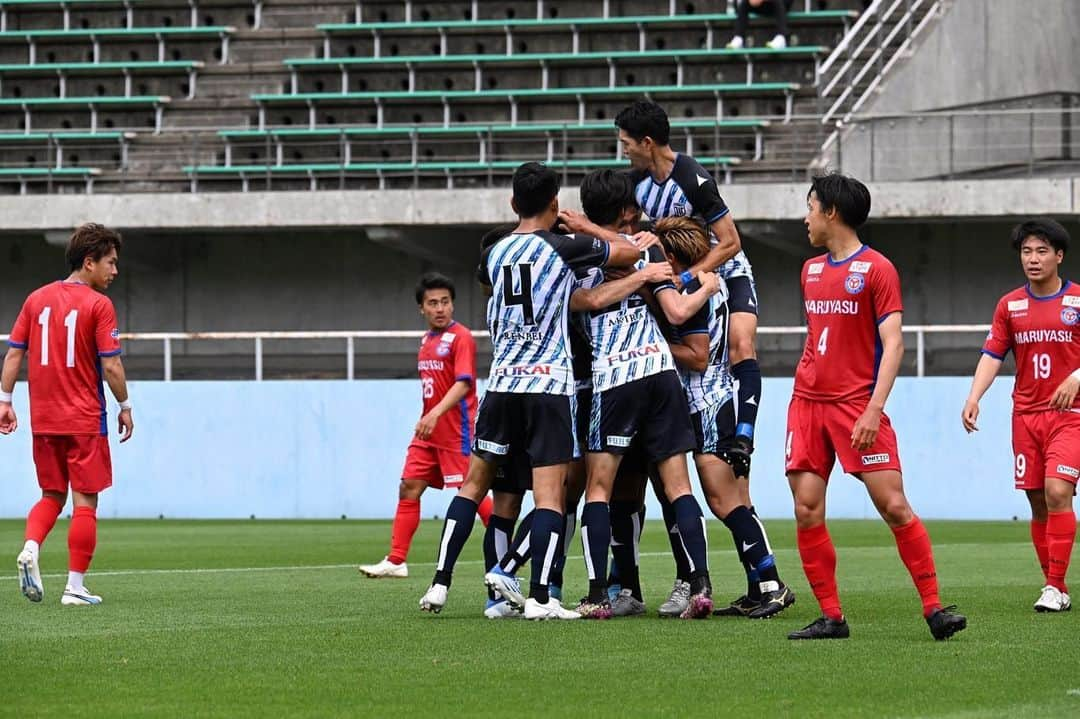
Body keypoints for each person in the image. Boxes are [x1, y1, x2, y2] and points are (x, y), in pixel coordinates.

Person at [417, 161, 641, 620]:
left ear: (513, 203)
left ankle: (440, 583)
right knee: (550, 496)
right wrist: (584, 228)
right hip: (548, 385)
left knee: (472, 487)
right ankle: (542, 597)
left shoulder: (494, 254)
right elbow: (625, 254)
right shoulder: (564, 247)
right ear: (555, 204)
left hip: (502, 383)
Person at [785, 173, 967, 640]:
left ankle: (934, 609)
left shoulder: (878, 269)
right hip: (807, 405)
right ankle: (832, 617)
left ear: (831, 212)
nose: (805, 217)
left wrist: (872, 409)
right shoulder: (809, 271)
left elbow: (894, 344)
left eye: (810, 207)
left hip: (856, 406)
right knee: (807, 510)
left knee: (893, 505)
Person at [559, 169, 721, 620]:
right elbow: (669, 300)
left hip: (615, 378)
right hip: (661, 372)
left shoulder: (574, 257)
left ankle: (596, 594)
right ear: (627, 209)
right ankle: (700, 584)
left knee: (598, 488)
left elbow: (584, 303)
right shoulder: (646, 247)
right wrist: (649, 275)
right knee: (678, 486)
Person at [655, 216, 795, 620]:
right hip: (704, 404)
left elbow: (698, 358)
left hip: (710, 403)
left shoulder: (698, 289)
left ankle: (773, 584)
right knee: (729, 502)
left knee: (725, 502)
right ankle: (759, 587)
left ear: (676, 256)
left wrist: (655, 346)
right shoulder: (700, 287)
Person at [615, 100, 762, 479]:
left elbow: (730, 242)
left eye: (626, 142)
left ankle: (743, 436)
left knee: (741, 347)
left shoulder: (693, 178)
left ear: (647, 142)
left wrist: (685, 278)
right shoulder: (634, 183)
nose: (624, 150)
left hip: (726, 269)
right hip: (686, 273)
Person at [1, 222, 134, 607]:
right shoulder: (98, 305)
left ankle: (30, 547)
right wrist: (125, 406)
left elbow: (13, 354)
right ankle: (74, 587)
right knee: (85, 503)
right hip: (84, 420)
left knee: (51, 495)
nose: (115, 271)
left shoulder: (36, 299)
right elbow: (111, 367)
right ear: (88, 262)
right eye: (110, 262)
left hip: (44, 420)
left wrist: (5, 400)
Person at [962, 218, 1080, 612]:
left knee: (1057, 491)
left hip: (1070, 415)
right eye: (1027, 251)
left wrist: (1077, 377)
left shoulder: (1077, 301)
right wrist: (975, 395)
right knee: (1037, 501)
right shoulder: (1009, 305)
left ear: (1059, 256)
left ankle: (1055, 585)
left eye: (1042, 251)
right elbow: (993, 354)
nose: (1033, 259)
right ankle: (1055, 586)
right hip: (1026, 417)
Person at [359, 273, 492, 579]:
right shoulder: (426, 341)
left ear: (452, 304)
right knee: (409, 486)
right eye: (432, 303)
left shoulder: (461, 338)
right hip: (428, 433)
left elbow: (463, 385)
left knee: (471, 491)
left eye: (445, 301)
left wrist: (434, 415)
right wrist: (428, 418)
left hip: (456, 431)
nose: (440, 308)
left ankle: (507, 550)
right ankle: (396, 560)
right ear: (422, 308)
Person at [727, 0, 794, 50]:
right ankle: (738, 38)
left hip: (782, 3)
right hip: (762, 4)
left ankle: (781, 37)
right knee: (744, 4)